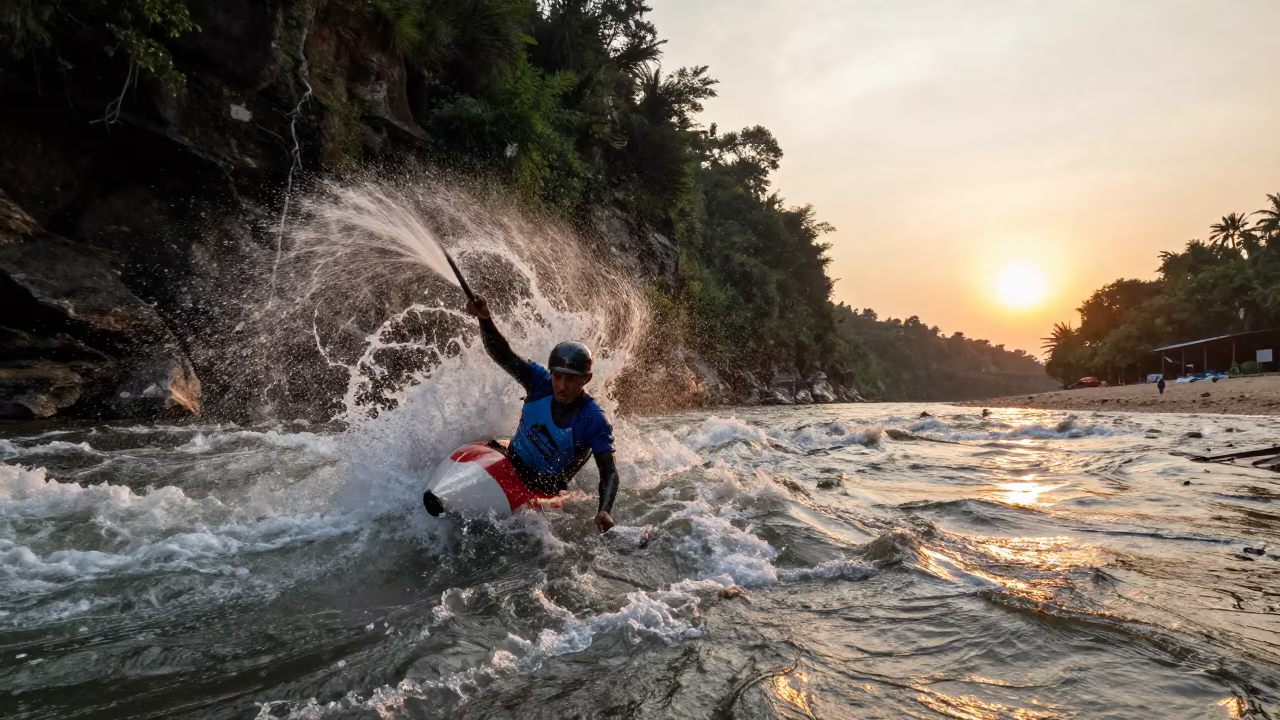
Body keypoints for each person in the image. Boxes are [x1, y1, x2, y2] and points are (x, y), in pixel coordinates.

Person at [466, 295, 619, 534]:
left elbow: (608, 471)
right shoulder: (539, 383)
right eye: (558, 376)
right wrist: (485, 319)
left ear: (585, 379)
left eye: (570, 379)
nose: (561, 385)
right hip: (511, 461)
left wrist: (604, 509)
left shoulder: (593, 419)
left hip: (545, 489)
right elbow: (504, 355)